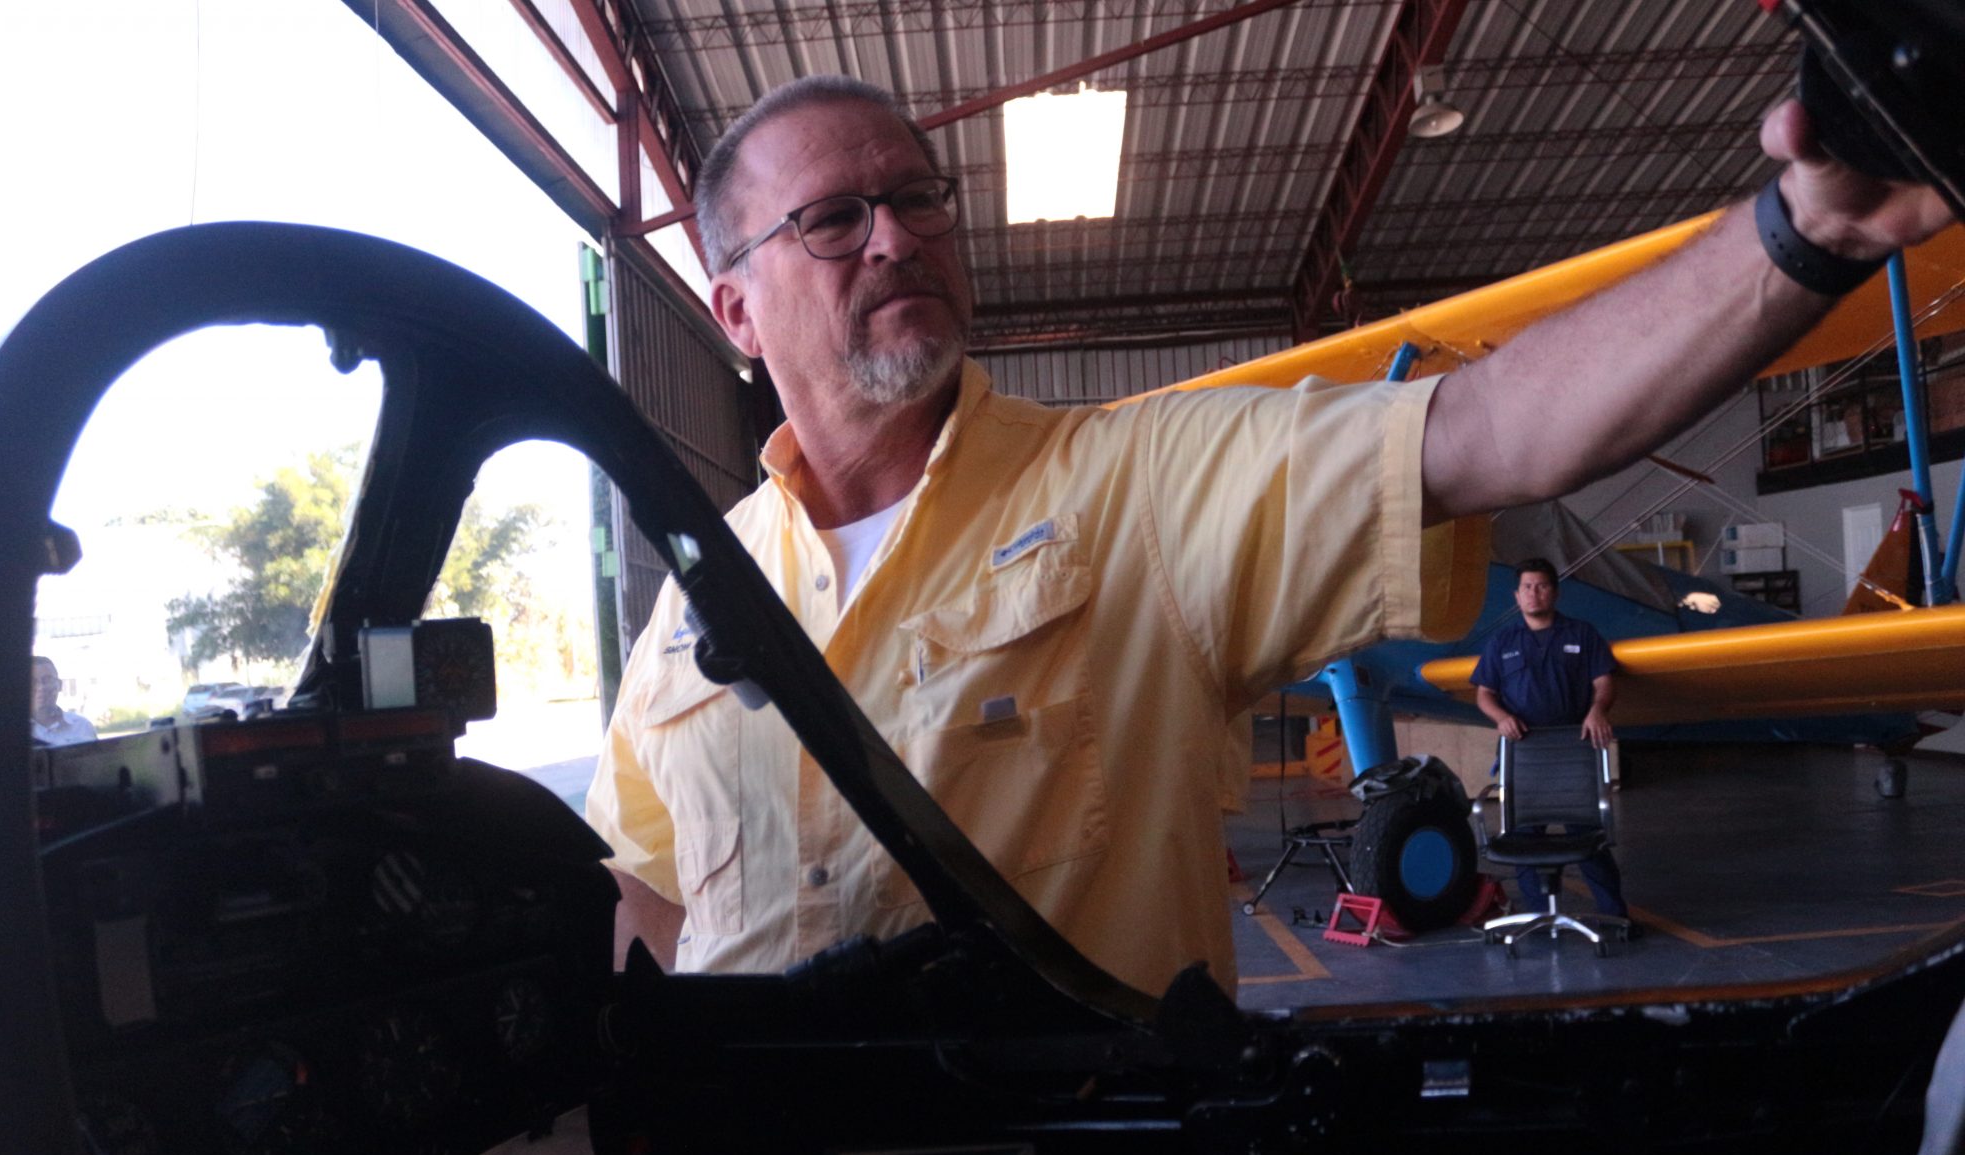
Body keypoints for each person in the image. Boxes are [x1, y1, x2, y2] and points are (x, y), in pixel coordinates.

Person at [586, 74, 1950, 997]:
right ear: (734, 311)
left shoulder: (1136, 484)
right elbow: (644, 896)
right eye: (834, 219)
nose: (895, 235)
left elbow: (1489, 429)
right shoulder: (696, 600)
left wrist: (1805, 229)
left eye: (920, 197)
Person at [1469, 558, 1628, 925]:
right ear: (1516, 596)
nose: (1533, 593)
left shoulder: (1582, 634)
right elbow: (1484, 694)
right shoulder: (1502, 642)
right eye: (1527, 587)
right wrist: (1501, 718)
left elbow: (1604, 682)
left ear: (1554, 592)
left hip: (1575, 749)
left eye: (1541, 586)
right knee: (1523, 839)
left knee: (1590, 838)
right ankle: (1539, 918)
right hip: (1524, 753)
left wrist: (1597, 710)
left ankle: (1616, 918)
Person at [30, 655, 98, 746]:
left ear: (59, 685)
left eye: (48, 680)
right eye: (32, 682)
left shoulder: (82, 727)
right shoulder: (13, 732)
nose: (41, 687)